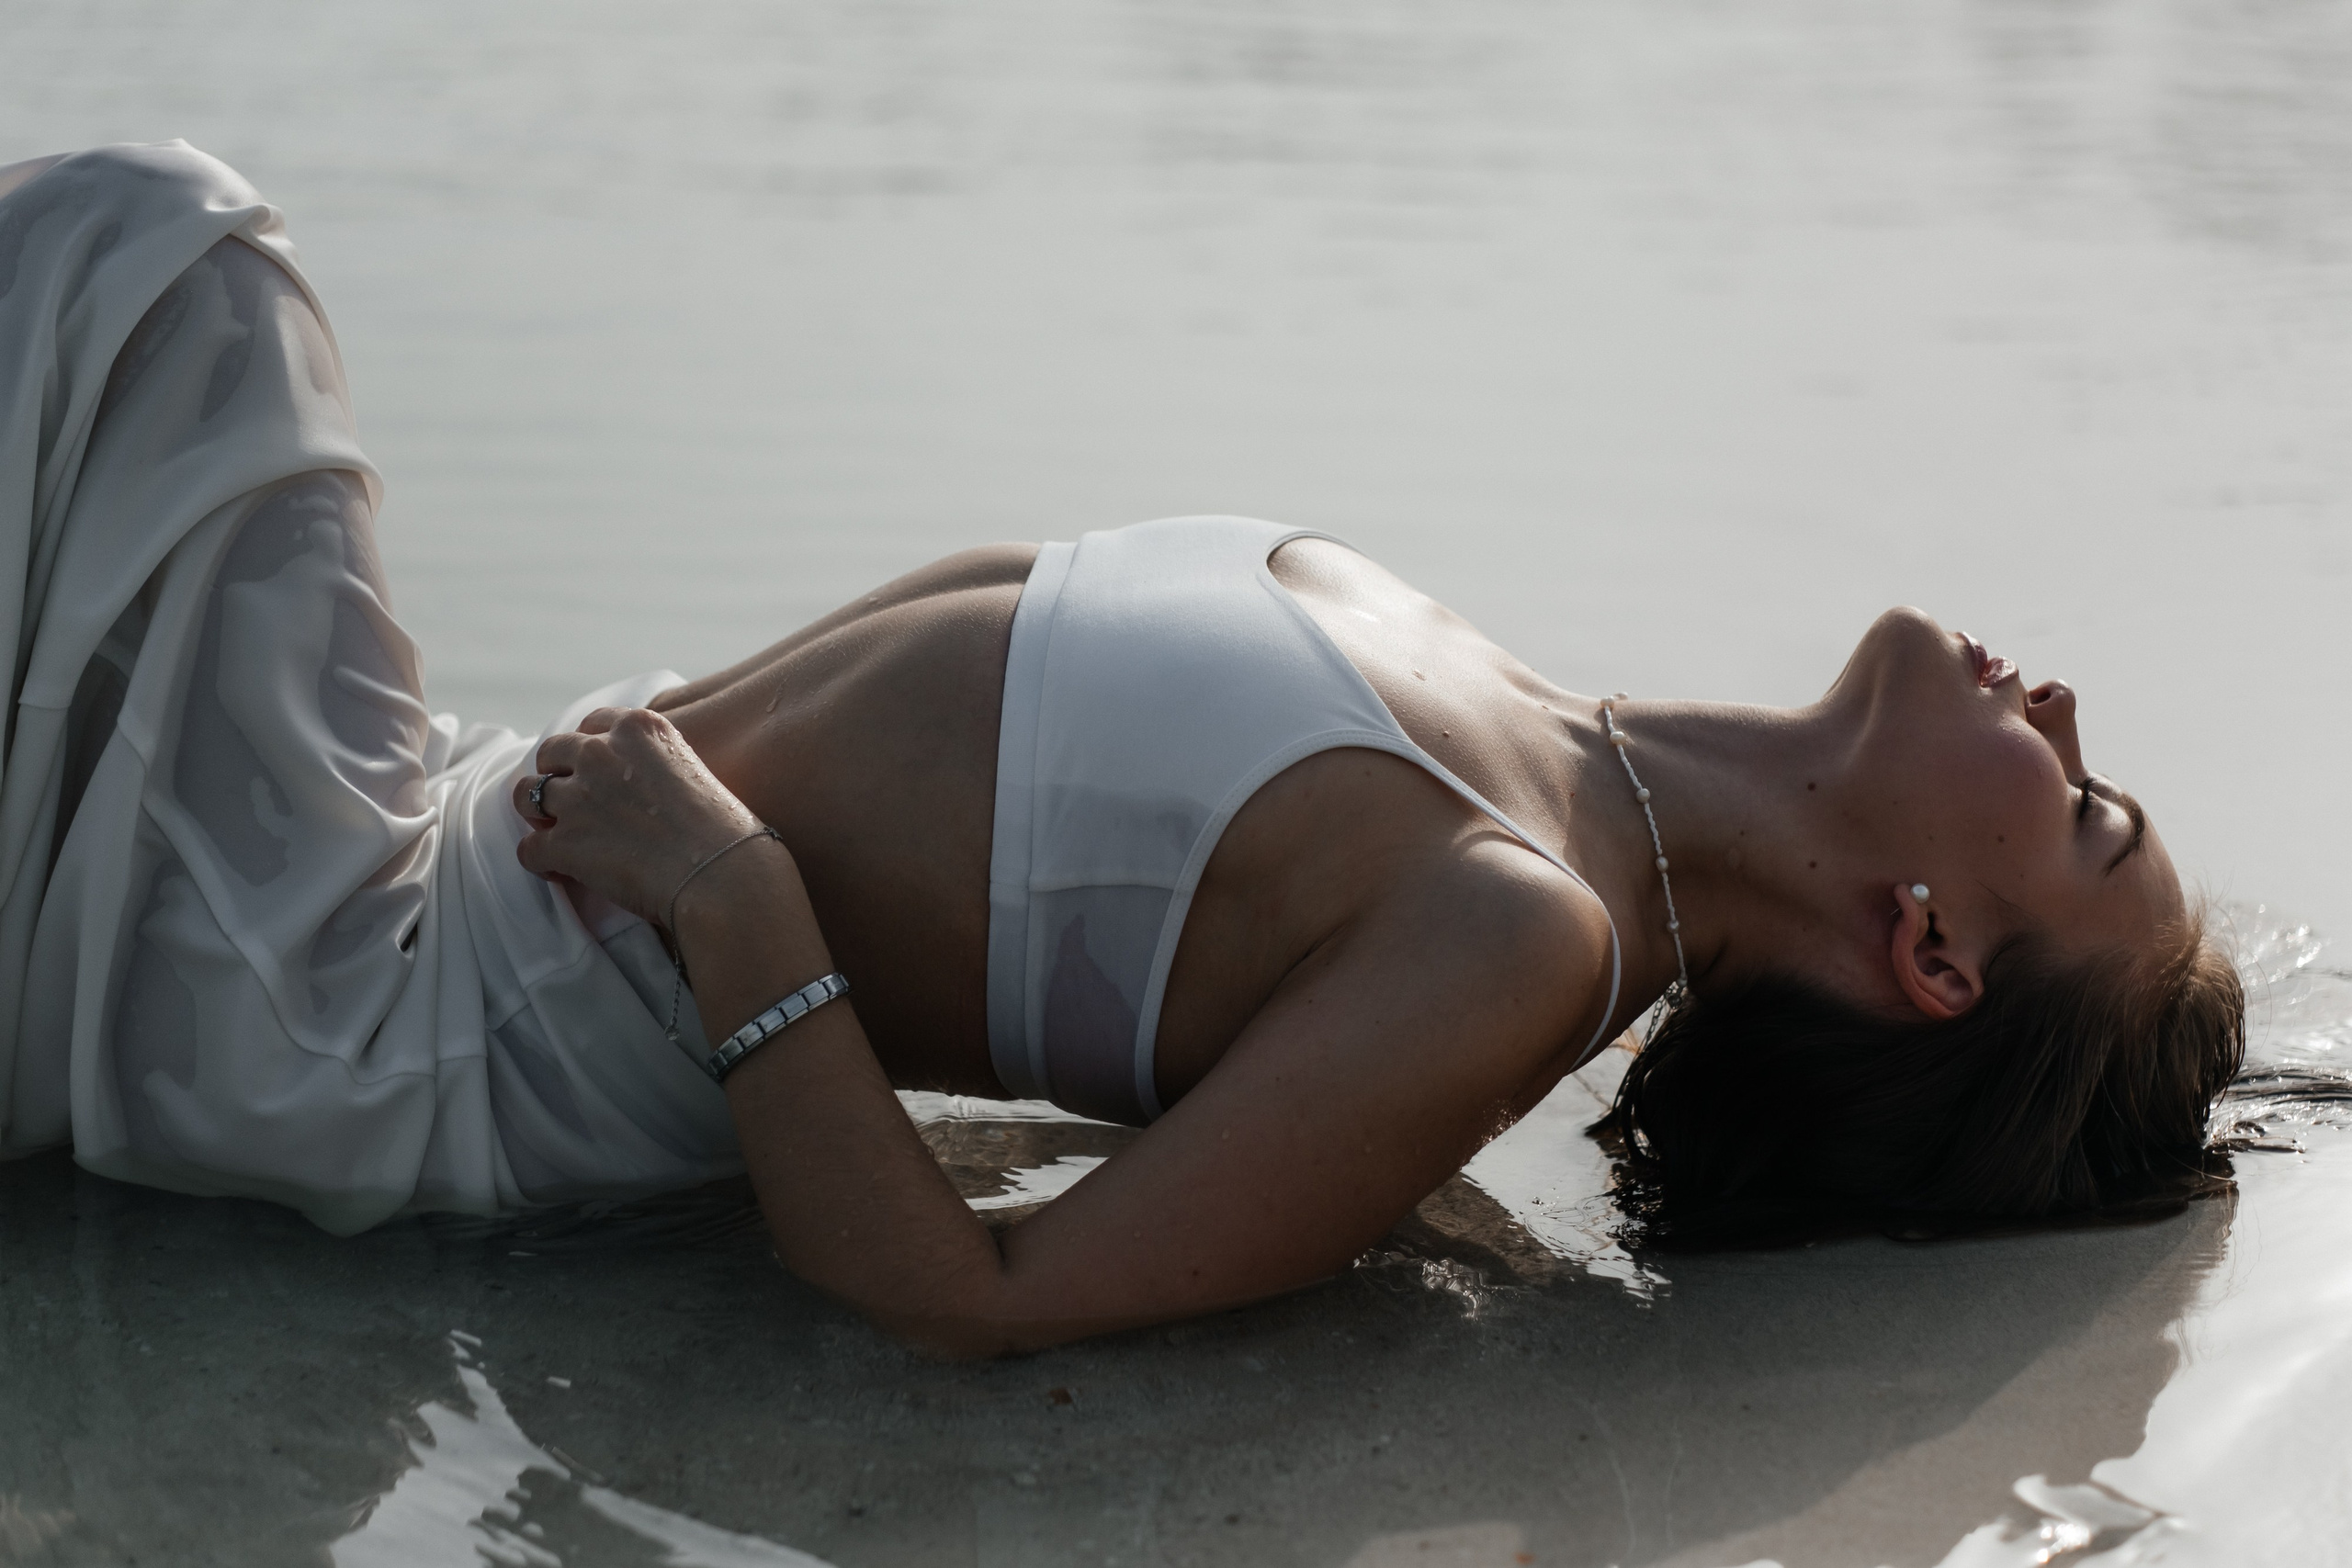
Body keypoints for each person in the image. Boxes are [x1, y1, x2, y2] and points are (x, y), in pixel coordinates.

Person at [0, 144, 2243, 1354]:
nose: (2052, 706)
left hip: (396, 1026)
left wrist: (729, 893)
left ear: (1933, 947)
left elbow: (972, 1294)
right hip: (455, 833)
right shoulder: (1536, 728)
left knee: (164, 258)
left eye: (2089, 803)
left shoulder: (1514, 930)